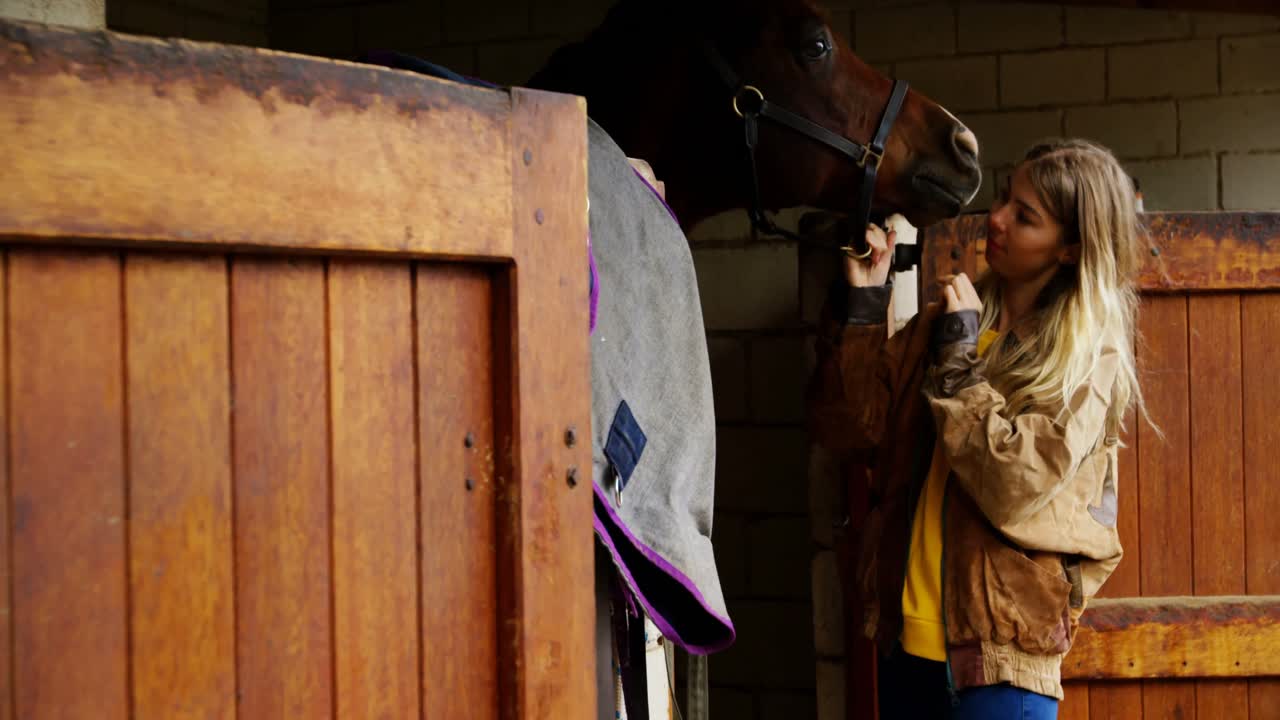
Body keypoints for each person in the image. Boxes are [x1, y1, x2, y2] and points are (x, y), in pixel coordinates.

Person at [807, 138, 1146, 719]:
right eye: (1004, 198)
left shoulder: (1083, 360)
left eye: (1025, 216)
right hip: (904, 642)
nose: (997, 218)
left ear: (1070, 250)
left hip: (1000, 667)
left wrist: (959, 362)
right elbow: (849, 429)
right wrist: (864, 301)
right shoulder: (947, 324)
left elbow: (1013, 482)